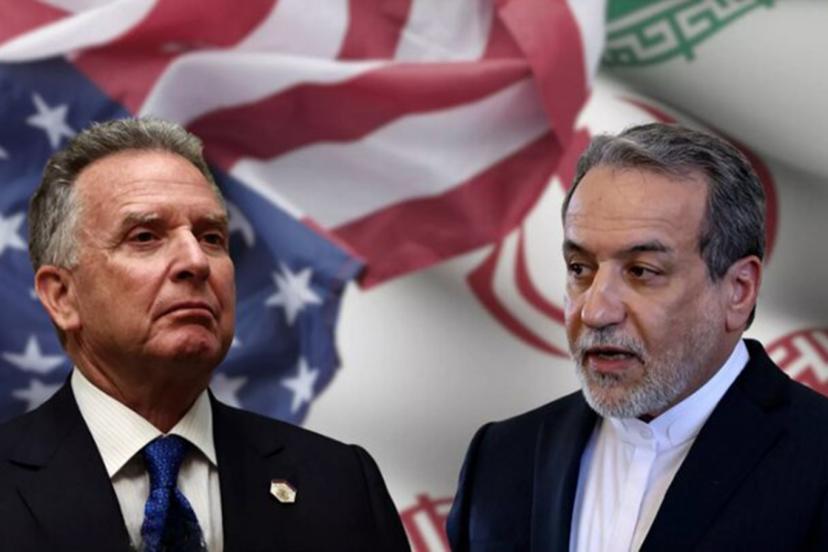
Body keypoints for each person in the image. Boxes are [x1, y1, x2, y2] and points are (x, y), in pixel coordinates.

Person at [0, 118, 410, 551]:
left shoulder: (340, 483)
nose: (195, 261)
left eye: (212, 237)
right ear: (62, 296)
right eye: (145, 237)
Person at [447, 123, 828, 552]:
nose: (595, 311)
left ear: (738, 290)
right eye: (580, 269)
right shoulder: (501, 457)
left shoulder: (817, 458)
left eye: (641, 272)